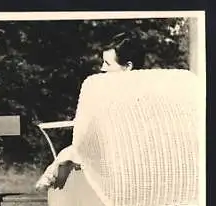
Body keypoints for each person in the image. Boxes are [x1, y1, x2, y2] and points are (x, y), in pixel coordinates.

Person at [36, 30, 146, 190]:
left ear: (128, 67)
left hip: (126, 155)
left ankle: (54, 178)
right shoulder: (109, 91)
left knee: (71, 153)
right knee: (71, 153)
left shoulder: (140, 94)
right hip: (110, 151)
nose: (102, 68)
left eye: (108, 64)